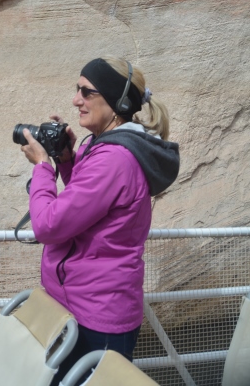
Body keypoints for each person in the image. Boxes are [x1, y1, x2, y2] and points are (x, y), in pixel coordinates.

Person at [20, 56, 180, 383]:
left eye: (87, 92)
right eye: (77, 89)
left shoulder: (114, 158)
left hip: (97, 316)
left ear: (116, 101)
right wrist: (67, 159)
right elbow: (89, 203)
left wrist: (42, 168)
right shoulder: (103, 145)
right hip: (81, 305)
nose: (76, 99)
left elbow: (48, 225)